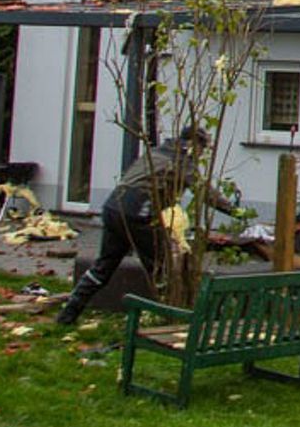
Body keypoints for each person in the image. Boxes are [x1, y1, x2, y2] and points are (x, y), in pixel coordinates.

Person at [57, 127, 237, 325]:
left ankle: (68, 315)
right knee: (163, 267)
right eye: (203, 148)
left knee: (104, 265)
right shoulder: (182, 161)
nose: (203, 153)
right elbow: (204, 192)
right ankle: (173, 317)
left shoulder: (157, 152)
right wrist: (234, 211)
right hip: (138, 213)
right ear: (194, 145)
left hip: (112, 207)